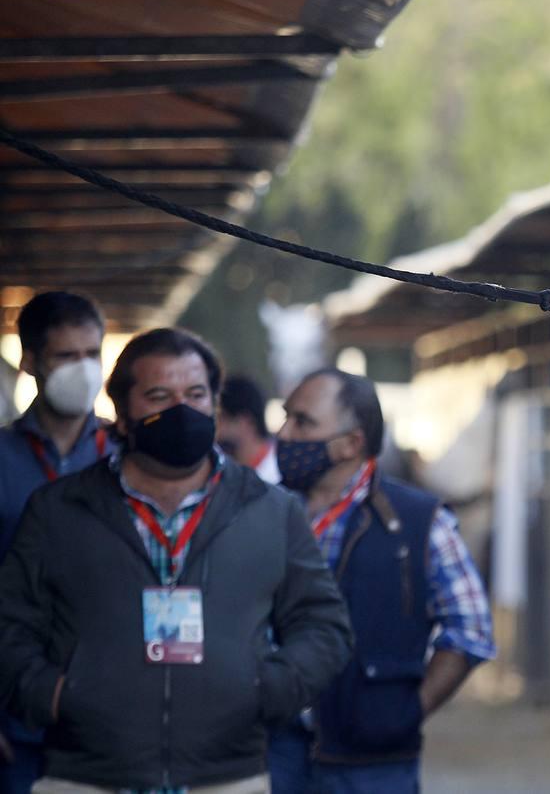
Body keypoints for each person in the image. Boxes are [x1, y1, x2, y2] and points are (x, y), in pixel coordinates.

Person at [0, 328, 353, 794]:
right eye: (158, 396)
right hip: (86, 774)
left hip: (229, 776)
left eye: (196, 393)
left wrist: (265, 689)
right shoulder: (59, 511)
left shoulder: (272, 511)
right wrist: (54, 695)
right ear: (121, 414)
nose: (180, 410)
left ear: (215, 404)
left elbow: (324, 625)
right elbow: (10, 623)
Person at [267, 368, 495, 794]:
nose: (284, 434)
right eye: (285, 417)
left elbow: (471, 631)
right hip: (275, 754)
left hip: (374, 768)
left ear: (352, 443)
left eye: (303, 422)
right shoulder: (263, 513)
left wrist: (405, 714)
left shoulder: (419, 522)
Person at [0, 293, 110, 794]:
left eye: (92, 354)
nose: (83, 370)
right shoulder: (2, 457)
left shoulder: (128, 456)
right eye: (67, 356)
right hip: (15, 715)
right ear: (30, 361)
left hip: (109, 715)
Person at [217, 375, 280, 485]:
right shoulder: (220, 473)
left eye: (221, 419)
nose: (217, 430)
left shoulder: (278, 476)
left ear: (245, 422)